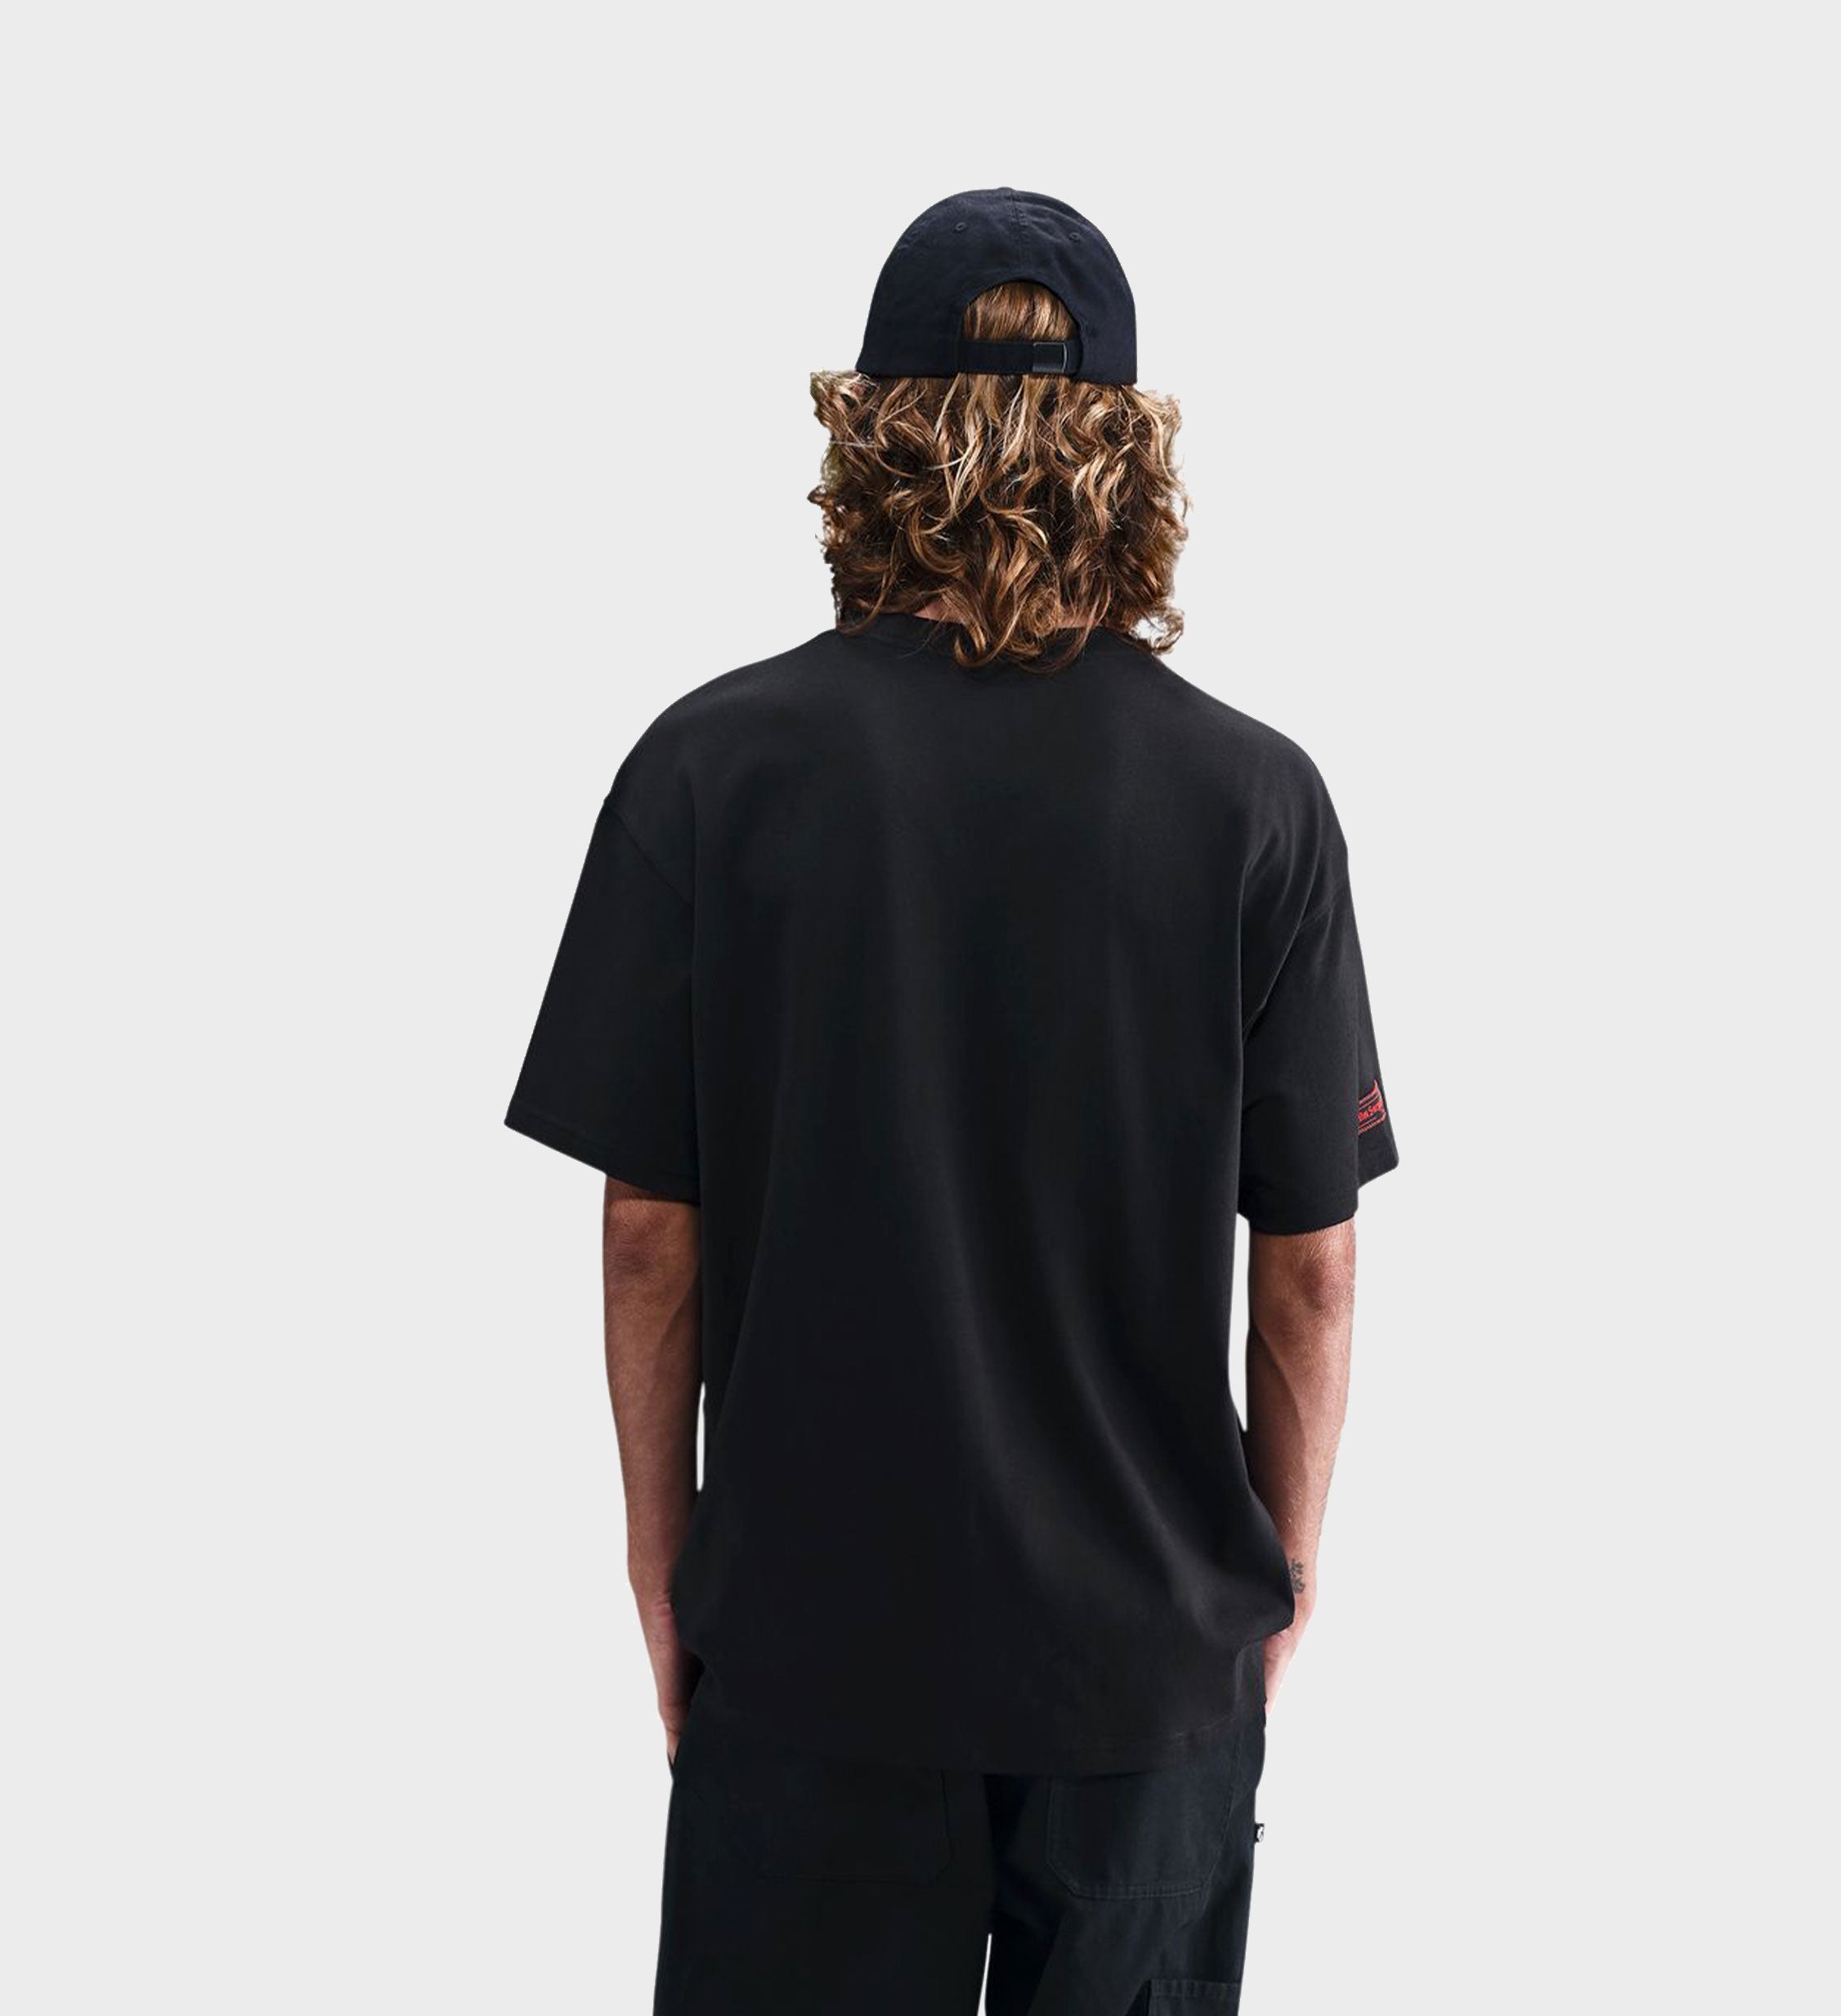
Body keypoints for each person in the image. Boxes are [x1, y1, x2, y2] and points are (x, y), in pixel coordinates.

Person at [505, 187, 1397, 2015]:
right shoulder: (1259, 804)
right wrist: (1277, 1581)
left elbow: (650, 1236)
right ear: (1129, 451)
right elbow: (1309, 1268)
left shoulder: (708, 771)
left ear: (870, 436)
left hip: (810, 1657)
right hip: (1143, 1673)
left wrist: (663, 1568)